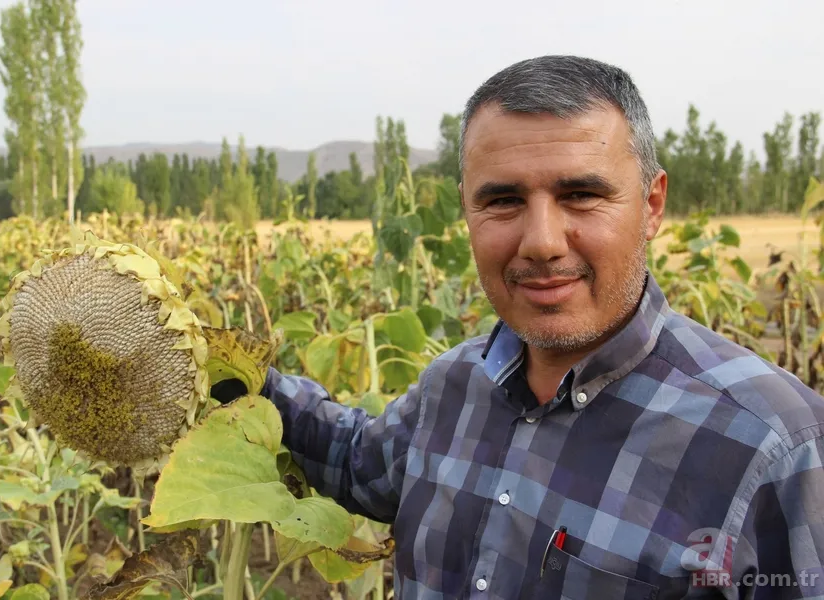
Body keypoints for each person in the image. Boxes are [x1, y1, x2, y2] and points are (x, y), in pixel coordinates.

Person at [212, 55, 824, 599]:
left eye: (582, 194)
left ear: (652, 206)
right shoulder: (453, 385)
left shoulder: (772, 446)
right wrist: (212, 365)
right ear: (468, 210)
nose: (542, 243)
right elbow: (352, 460)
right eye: (503, 201)